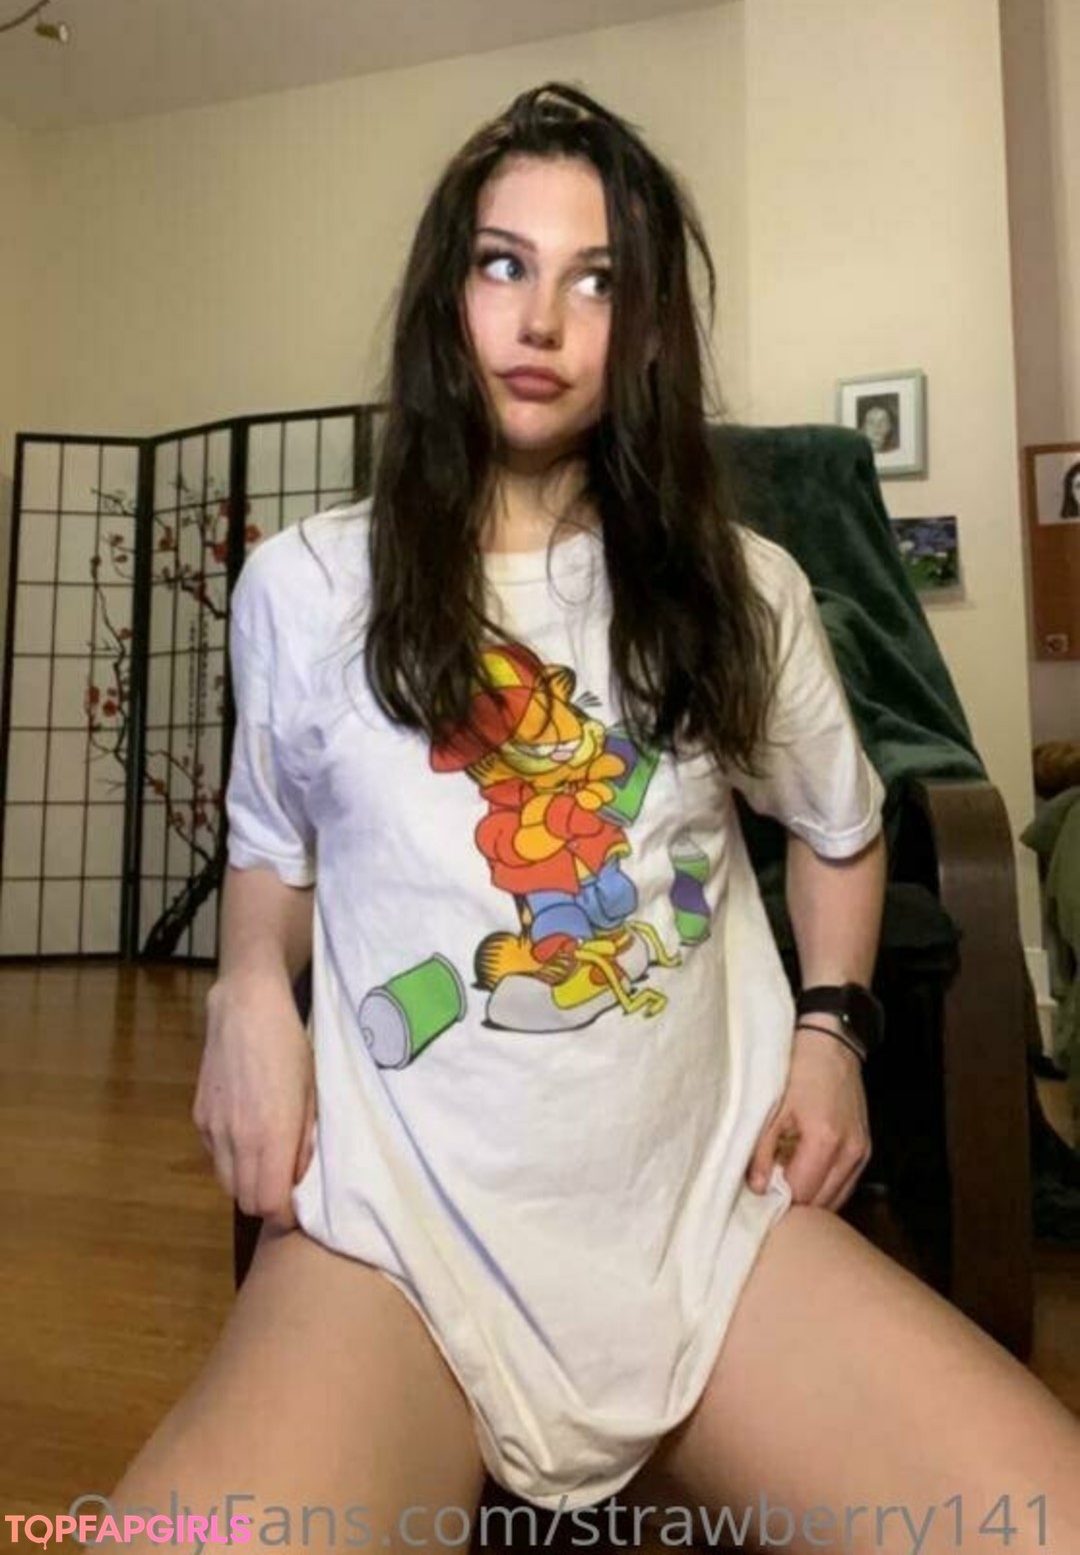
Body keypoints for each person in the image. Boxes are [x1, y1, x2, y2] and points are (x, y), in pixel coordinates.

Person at [108, 86, 1080, 1553]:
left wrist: (833, 1031)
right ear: (446, 298)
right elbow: (271, 849)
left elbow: (841, 827)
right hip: (396, 1250)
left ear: (646, 327)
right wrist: (248, 987)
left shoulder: (743, 588)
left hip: (711, 1238)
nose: (541, 318)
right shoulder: (304, 591)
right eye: (503, 264)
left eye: (597, 278)